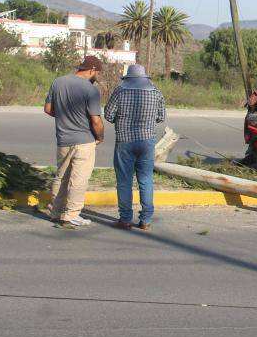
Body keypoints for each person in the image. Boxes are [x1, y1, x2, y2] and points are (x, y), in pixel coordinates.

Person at [44, 55, 104, 229]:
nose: (96, 76)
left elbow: (48, 109)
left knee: (61, 177)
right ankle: (71, 216)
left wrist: (63, 117)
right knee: (79, 180)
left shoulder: (58, 82)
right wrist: (100, 137)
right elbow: (96, 120)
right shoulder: (90, 90)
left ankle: (55, 212)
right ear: (92, 70)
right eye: (97, 73)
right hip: (84, 141)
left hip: (63, 139)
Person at [104, 64, 166, 231]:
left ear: (128, 78)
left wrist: (122, 119)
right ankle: (146, 219)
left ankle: (125, 219)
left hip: (124, 141)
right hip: (147, 142)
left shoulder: (120, 91)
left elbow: (108, 115)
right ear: (145, 78)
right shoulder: (155, 92)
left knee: (124, 182)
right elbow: (161, 117)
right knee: (146, 180)